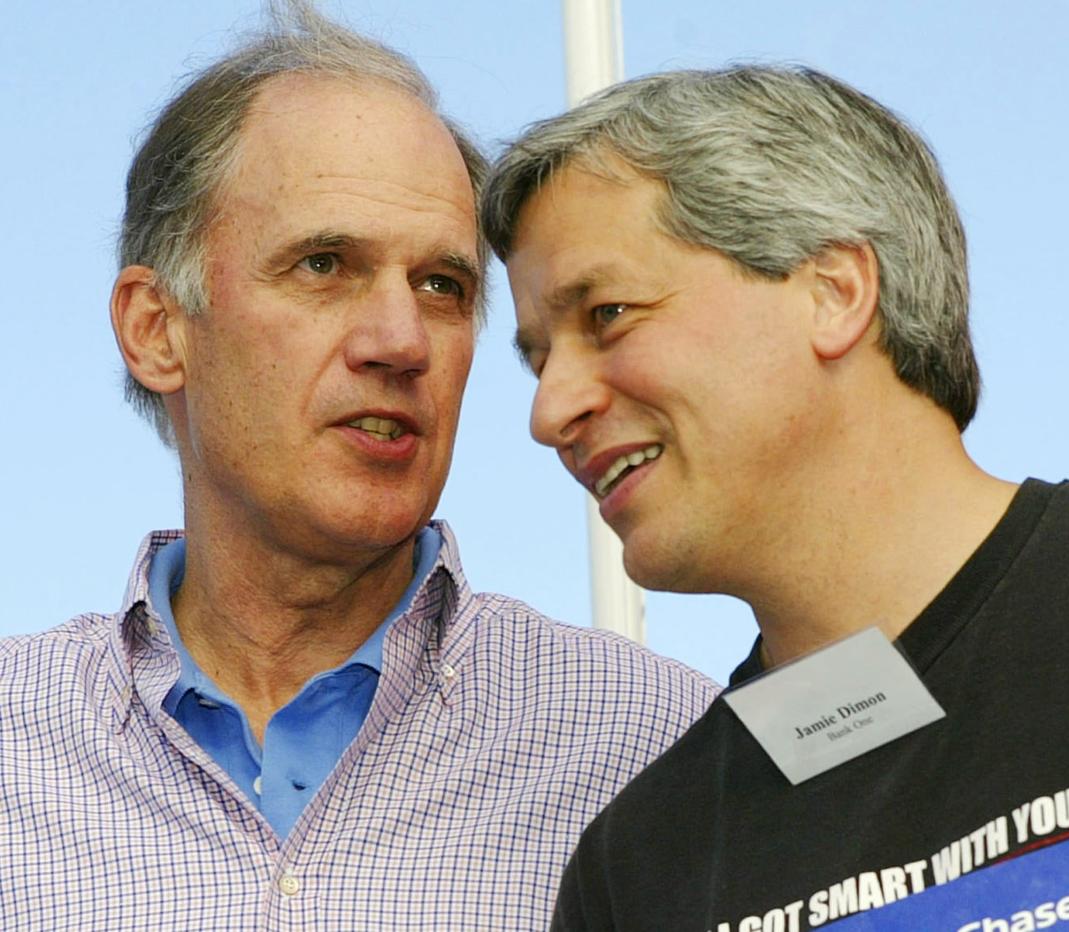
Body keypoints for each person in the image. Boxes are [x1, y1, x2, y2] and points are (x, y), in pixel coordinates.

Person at [0, 5, 719, 928]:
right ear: (157, 329)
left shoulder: (656, 746)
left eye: (442, 287)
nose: (400, 340)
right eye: (324, 264)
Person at [481, 65, 1069, 930]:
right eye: (540, 359)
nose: (550, 412)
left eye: (609, 314)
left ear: (834, 291)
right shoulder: (639, 865)